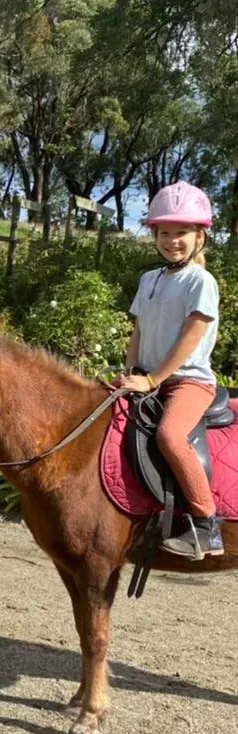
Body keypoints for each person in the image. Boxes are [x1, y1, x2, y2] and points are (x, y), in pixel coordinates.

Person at [118, 181, 223, 558]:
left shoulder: (201, 282)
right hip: (148, 377)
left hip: (187, 383)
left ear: (200, 236)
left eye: (182, 232)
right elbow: (140, 330)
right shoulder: (150, 279)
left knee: (169, 437)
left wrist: (153, 379)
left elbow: (190, 338)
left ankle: (208, 524)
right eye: (165, 233)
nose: (172, 240)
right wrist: (129, 372)